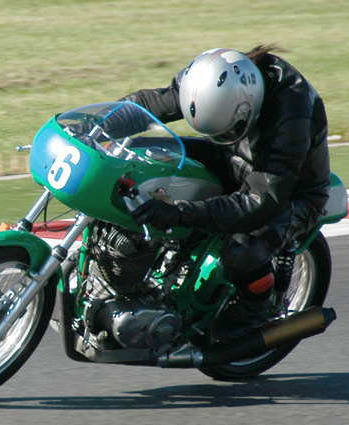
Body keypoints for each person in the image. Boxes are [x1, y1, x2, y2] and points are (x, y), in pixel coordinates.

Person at [127, 46, 331, 337]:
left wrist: (179, 213)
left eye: (226, 130)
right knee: (147, 156)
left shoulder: (290, 113)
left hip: (290, 192)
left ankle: (255, 307)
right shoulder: (205, 78)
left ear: (247, 109)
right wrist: (101, 124)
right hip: (233, 160)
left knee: (240, 253)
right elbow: (149, 104)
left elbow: (261, 201)